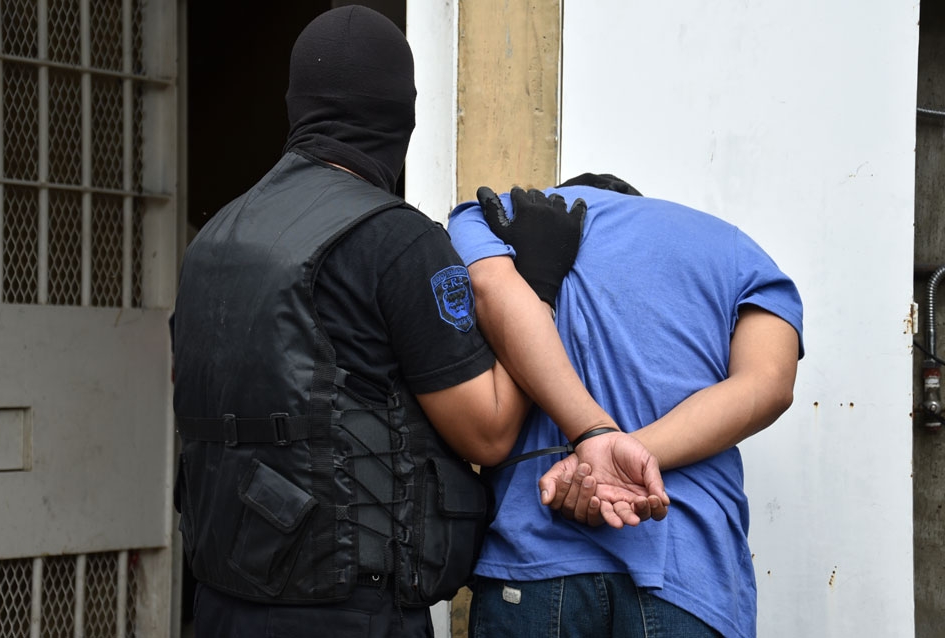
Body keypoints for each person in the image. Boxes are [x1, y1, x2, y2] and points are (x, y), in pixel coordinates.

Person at [170, 8, 666, 638]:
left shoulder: (213, 239)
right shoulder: (394, 239)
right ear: (401, 116)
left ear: (297, 107)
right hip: (345, 612)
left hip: (220, 602)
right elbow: (488, 431)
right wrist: (536, 284)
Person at [446, 175, 804, 638]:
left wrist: (598, 457)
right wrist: (626, 455)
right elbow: (769, 384)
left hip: (533, 555)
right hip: (689, 568)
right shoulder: (738, 251)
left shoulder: (492, 215)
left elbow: (486, 289)